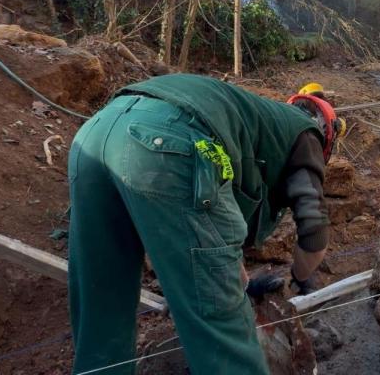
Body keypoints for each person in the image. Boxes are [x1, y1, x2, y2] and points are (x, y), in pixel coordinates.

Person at [67, 75, 341, 374]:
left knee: (102, 313)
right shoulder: (307, 134)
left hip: (94, 135)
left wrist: (236, 283)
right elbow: (313, 229)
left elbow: (206, 228)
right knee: (224, 337)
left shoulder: (251, 120)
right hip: (168, 143)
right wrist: (301, 279)